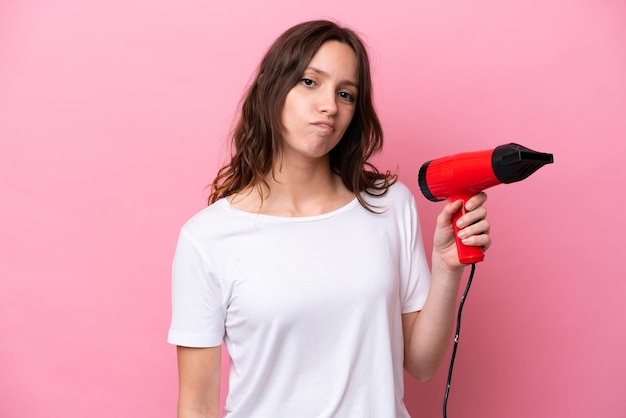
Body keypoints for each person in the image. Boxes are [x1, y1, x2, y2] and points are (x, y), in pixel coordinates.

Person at [167, 20, 491, 418]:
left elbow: (421, 364)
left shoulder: (390, 206)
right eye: (309, 82)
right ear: (272, 86)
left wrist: (446, 268)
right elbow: (197, 406)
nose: (329, 106)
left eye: (346, 94)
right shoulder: (207, 238)